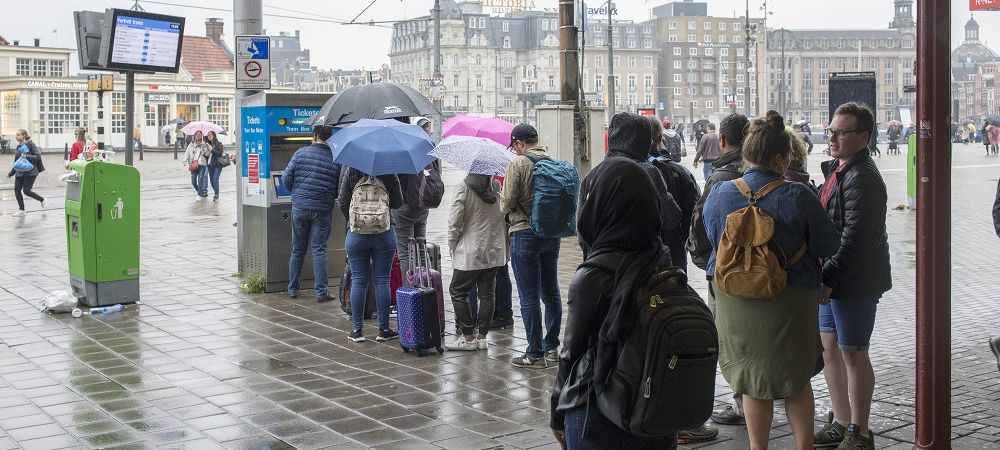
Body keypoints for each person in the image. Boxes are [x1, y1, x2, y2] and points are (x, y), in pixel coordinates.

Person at [704, 111, 841, 450]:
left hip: (735, 297)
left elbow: (711, 236)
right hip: (791, 296)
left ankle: (758, 447)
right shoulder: (798, 194)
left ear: (748, 154)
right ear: (781, 159)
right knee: (795, 379)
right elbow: (829, 244)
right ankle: (803, 446)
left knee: (752, 379)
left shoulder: (720, 193)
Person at [551, 157, 677, 450]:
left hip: (599, 412)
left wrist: (557, 413)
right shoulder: (663, 261)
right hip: (658, 410)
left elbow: (572, 354)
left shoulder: (594, 275)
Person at [814, 102, 892, 450]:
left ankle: (860, 430)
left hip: (854, 281)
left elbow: (857, 237)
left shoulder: (864, 177)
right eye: (831, 131)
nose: (832, 137)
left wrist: (828, 276)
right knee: (830, 348)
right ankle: (841, 420)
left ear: (863, 137)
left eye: (841, 132)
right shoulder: (839, 169)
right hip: (832, 277)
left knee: (853, 352)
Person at [686, 112, 750, 429]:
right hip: (769, 274)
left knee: (730, 338)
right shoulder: (767, 171)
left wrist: (707, 263)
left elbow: (697, 232)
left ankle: (742, 404)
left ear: (722, 140)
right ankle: (759, 394)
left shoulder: (720, 179)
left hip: (727, 275)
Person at [501, 124, 562, 368]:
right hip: (551, 233)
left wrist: (502, 201)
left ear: (518, 143)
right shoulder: (551, 160)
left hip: (524, 232)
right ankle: (553, 347)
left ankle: (534, 352)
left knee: (528, 297)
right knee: (551, 292)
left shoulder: (519, 163)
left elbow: (507, 202)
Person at [339, 164, 403, 343]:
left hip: (357, 234)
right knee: (382, 281)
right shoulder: (389, 169)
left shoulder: (352, 169)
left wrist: (355, 220)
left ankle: (357, 330)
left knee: (359, 281)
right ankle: (383, 329)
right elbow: (398, 202)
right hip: (384, 233)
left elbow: (343, 201)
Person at [445, 173, 506, 351]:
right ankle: (482, 337)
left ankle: (468, 336)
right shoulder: (495, 187)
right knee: (487, 294)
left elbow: (455, 220)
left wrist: (452, 243)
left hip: (469, 250)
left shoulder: (463, 187)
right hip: (492, 248)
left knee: (457, 290)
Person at [283, 126, 341, 303]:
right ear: (329, 138)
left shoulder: (300, 153)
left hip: (300, 206)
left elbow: (286, 178)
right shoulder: (335, 158)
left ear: (315, 136)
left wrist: (298, 192)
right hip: (322, 208)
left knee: (298, 249)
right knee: (319, 249)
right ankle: (321, 292)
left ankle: (293, 289)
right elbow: (339, 187)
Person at [646, 115, 700, 270]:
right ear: (660, 138)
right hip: (673, 256)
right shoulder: (681, 173)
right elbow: (694, 217)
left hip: (639, 262)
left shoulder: (624, 171)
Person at [394, 117, 444, 278]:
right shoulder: (427, 146)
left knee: (405, 254)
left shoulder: (399, 148)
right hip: (422, 206)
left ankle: (409, 295)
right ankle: (426, 290)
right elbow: (437, 173)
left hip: (403, 207)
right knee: (421, 249)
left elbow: (395, 180)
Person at [7, 129, 46, 217]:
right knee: (17, 190)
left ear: (24, 136)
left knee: (26, 191)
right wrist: (11, 173)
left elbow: (37, 157)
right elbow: (17, 162)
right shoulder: (18, 146)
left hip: (31, 171)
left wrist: (26, 156)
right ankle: (22, 210)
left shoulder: (30, 144)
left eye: (18, 135)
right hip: (20, 172)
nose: (16, 137)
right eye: (16, 135)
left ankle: (42, 199)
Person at [183, 131, 210, 200]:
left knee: (200, 179)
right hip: (193, 164)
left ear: (202, 135)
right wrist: (185, 160)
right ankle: (200, 192)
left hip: (202, 164)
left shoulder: (204, 144)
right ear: (194, 135)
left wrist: (204, 149)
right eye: (196, 134)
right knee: (193, 181)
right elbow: (187, 152)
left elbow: (207, 154)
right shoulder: (191, 144)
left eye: (199, 134)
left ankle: (199, 195)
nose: (198, 135)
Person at [205, 131, 226, 201]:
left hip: (217, 164)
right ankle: (216, 192)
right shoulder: (207, 144)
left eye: (210, 134)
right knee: (211, 181)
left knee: (215, 179)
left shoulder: (219, 144)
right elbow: (206, 155)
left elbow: (219, 153)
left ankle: (216, 195)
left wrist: (212, 149)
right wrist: (204, 150)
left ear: (214, 135)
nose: (209, 136)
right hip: (210, 164)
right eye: (208, 135)